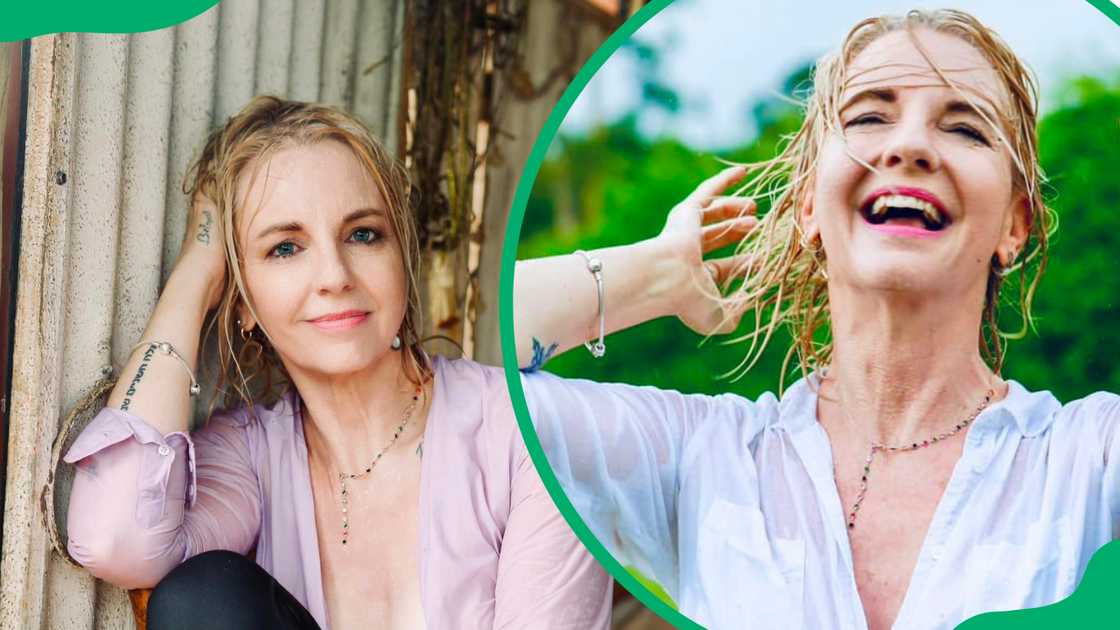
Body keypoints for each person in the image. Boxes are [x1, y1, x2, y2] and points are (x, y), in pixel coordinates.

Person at [514, 9, 1119, 630]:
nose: (908, 146)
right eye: (867, 117)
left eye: (965, 128)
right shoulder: (697, 457)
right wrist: (654, 275)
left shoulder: (1089, 461)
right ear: (808, 204)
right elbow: (459, 359)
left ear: (1014, 226)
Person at [64, 96, 611, 630]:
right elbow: (118, 539)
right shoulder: (254, 456)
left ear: (401, 256)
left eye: (363, 235)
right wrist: (198, 273)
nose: (335, 275)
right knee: (202, 599)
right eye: (285, 247)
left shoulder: (530, 436)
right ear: (244, 304)